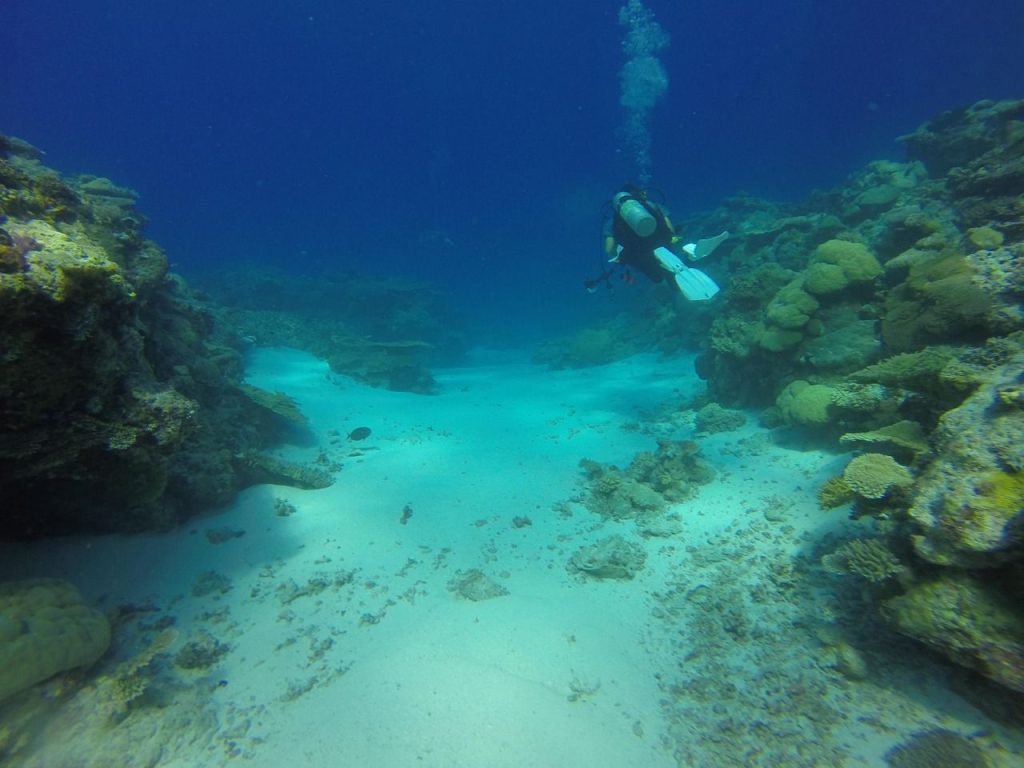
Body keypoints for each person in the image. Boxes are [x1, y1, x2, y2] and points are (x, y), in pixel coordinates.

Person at [600, 184, 727, 300]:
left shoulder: (611, 223)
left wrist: (620, 255)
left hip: (642, 254)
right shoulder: (652, 206)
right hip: (663, 245)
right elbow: (670, 229)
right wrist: (670, 238)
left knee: (658, 278)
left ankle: (683, 268)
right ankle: (690, 252)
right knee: (676, 268)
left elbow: (608, 249)